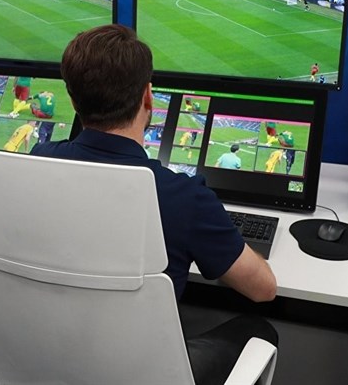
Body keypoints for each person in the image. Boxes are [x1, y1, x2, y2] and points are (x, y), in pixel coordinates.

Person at [29, 24, 277, 385]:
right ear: (148, 97)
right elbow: (263, 289)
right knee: (259, 330)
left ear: (72, 99)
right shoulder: (184, 196)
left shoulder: (38, 160)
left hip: (47, 356)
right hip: (138, 371)